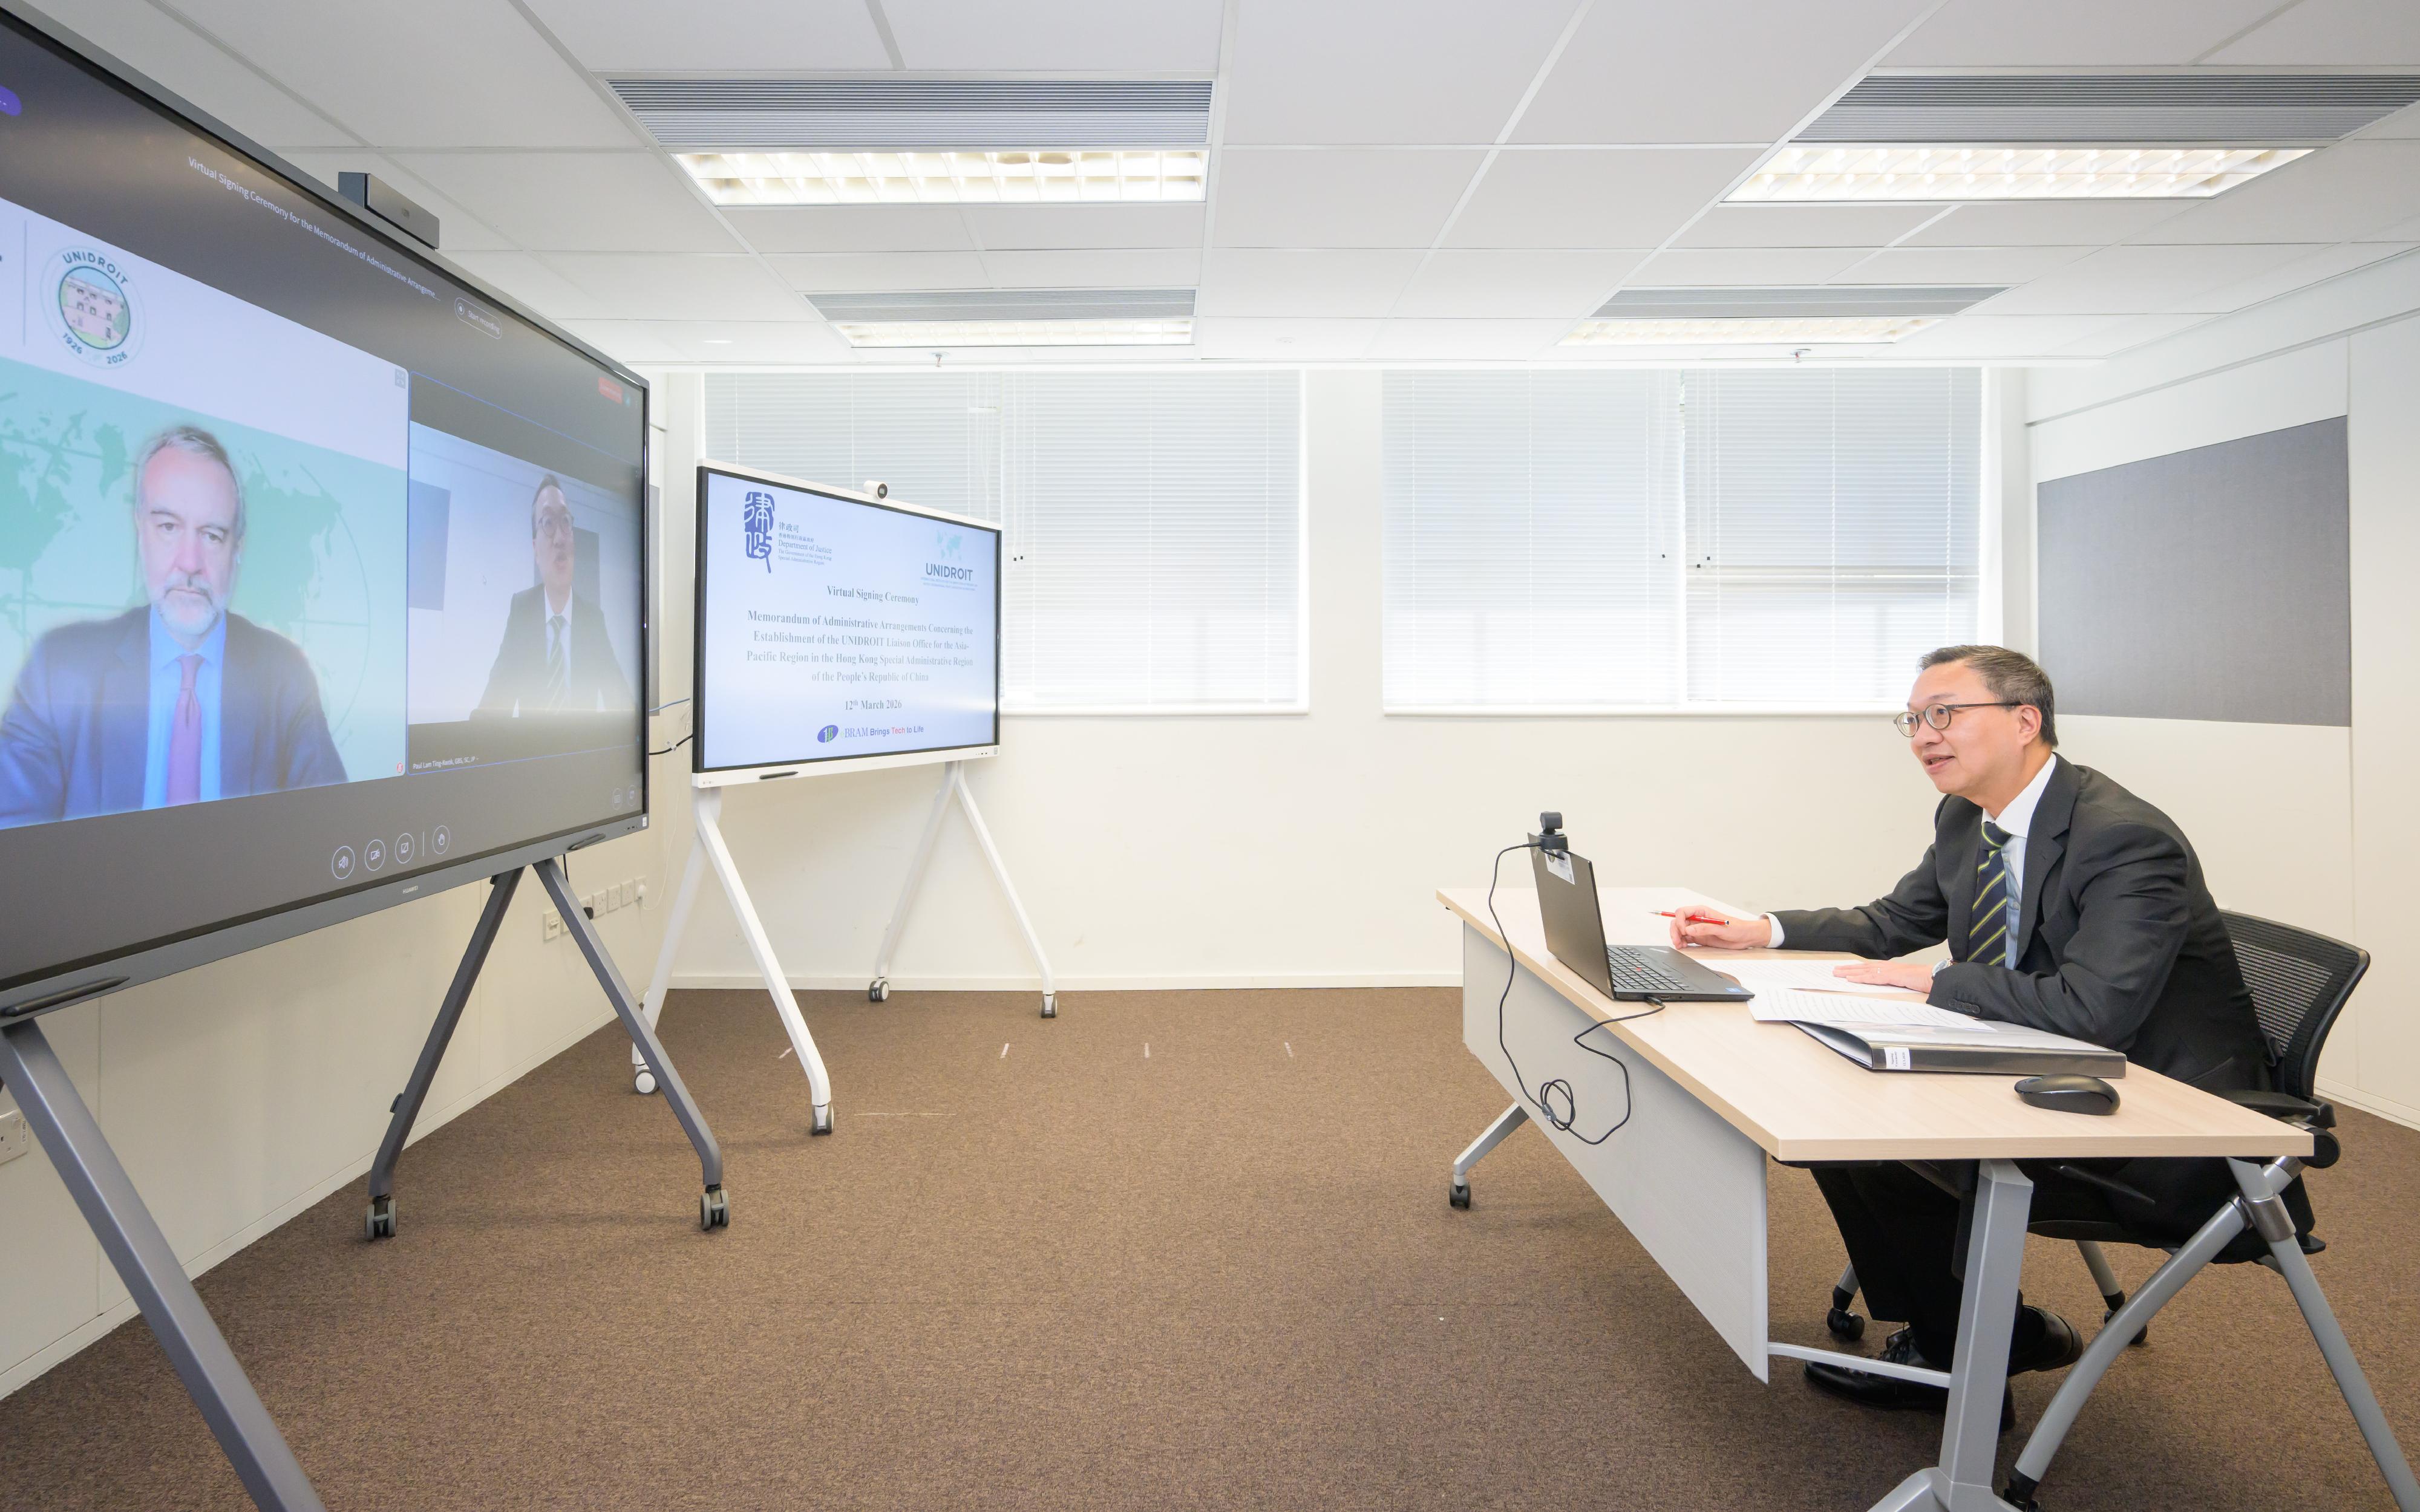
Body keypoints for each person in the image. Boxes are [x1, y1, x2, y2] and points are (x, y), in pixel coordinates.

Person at [1669, 645, 2276, 1424]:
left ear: (2025, 721)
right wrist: (1761, 929)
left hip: (2160, 1126)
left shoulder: (2124, 837)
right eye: (1914, 719)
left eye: (1945, 714)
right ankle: (1960, 1337)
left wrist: (1935, 981)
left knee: (1893, 1145)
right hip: (2042, 1066)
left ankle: (1966, 1352)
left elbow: (2095, 1011)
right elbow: (1893, 922)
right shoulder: (1966, 817)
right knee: (1831, 1120)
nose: (1924, 735)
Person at [0, 425, 345, 829]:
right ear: (140, 529)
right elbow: (15, 850)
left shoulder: (285, 674)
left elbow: (330, 826)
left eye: (212, 535)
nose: (190, 562)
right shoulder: (58, 669)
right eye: (168, 527)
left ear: (237, 550)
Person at [476, 475, 632, 715]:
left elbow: (624, 707)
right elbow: (491, 708)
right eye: (548, 523)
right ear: (535, 549)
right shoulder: (522, 611)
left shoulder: (593, 619)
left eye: (566, 522)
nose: (560, 538)